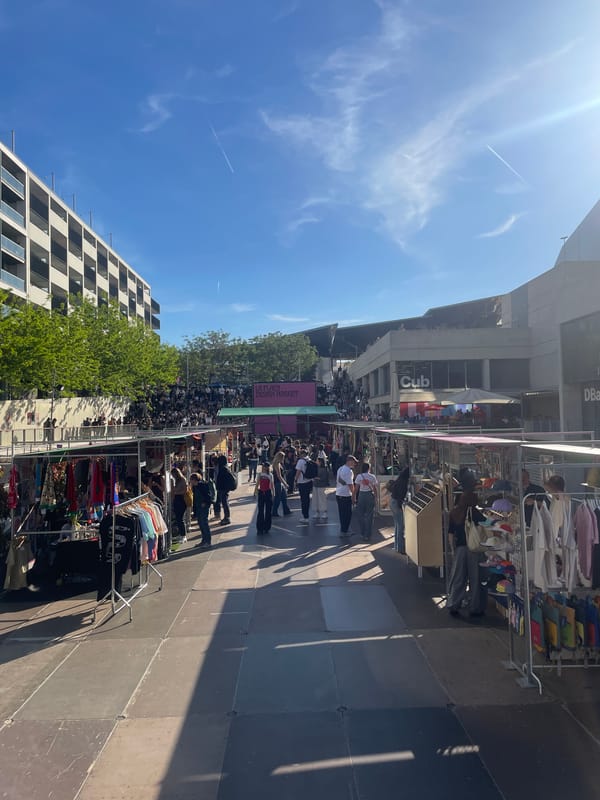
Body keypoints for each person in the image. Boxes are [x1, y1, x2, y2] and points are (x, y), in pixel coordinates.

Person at [446, 485, 487, 618]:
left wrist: (453, 549)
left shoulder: (454, 512)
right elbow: (486, 524)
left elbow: (450, 533)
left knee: (458, 578)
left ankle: (454, 604)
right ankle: (475, 607)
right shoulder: (474, 513)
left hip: (460, 549)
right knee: (475, 579)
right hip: (473, 549)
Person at [354, 461, 378, 541]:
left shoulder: (359, 476)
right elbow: (374, 488)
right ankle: (367, 534)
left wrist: (354, 497)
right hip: (369, 495)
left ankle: (362, 532)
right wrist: (376, 497)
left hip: (361, 495)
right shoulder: (372, 477)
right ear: (369, 468)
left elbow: (356, 488)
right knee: (369, 515)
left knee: (360, 515)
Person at [336, 454, 358, 538]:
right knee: (347, 514)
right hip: (346, 494)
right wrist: (354, 495)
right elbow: (351, 485)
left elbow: (339, 480)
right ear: (349, 461)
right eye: (354, 462)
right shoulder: (349, 471)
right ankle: (345, 531)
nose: (354, 464)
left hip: (339, 493)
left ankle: (343, 530)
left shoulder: (340, 469)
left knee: (342, 514)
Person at [389, 466, 409, 553]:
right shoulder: (403, 482)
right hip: (396, 503)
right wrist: (401, 506)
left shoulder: (399, 480)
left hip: (392, 501)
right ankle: (401, 548)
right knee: (401, 526)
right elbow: (401, 496)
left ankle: (397, 546)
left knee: (397, 525)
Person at [190, 471, 213, 548]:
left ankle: (208, 541)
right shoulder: (195, 487)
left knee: (204, 523)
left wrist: (205, 502)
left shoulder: (202, 485)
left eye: (191, 480)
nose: (190, 482)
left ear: (194, 480)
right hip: (198, 506)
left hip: (203, 506)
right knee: (201, 523)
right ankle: (204, 540)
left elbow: (208, 496)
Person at [255, 462, 275, 534]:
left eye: (264, 466)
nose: (263, 467)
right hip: (261, 492)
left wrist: (273, 494)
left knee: (268, 511)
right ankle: (260, 528)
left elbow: (272, 485)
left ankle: (267, 527)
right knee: (260, 511)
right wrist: (255, 492)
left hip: (268, 492)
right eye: (263, 466)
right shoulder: (260, 474)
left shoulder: (270, 475)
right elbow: (257, 483)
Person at [170, 466, 188, 542]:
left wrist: (176, 492)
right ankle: (181, 534)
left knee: (180, 519)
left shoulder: (182, 479)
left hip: (181, 500)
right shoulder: (176, 480)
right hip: (177, 500)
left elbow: (185, 490)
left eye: (173, 474)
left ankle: (183, 535)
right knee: (178, 519)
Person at [215, 454, 234, 525]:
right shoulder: (225, 468)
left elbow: (221, 479)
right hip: (224, 488)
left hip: (223, 489)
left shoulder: (223, 469)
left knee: (225, 503)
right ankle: (226, 517)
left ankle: (227, 518)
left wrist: (219, 487)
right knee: (225, 503)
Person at [271, 449, 292, 517]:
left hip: (279, 482)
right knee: (278, 498)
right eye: (283, 457)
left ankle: (286, 510)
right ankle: (274, 512)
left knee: (284, 497)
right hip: (278, 482)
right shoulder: (277, 464)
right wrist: (285, 484)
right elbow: (279, 476)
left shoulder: (278, 464)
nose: (284, 459)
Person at [295, 447, 313, 522]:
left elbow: (298, 471)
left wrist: (295, 480)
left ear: (302, 454)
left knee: (303, 500)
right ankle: (307, 515)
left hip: (302, 482)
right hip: (309, 481)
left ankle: (305, 516)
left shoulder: (300, 461)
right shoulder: (309, 459)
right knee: (307, 499)